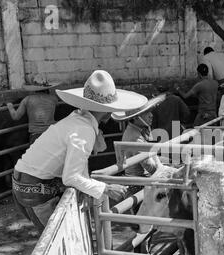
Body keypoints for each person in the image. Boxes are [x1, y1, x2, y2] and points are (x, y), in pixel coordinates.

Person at [12, 70, 148, 232]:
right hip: (35, 188)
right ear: (107, 109)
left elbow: (74, 171)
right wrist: (106, 188)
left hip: (27, 183)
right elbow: (72, 177)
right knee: (57, 240)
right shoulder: (84, 130)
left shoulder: (77, 120)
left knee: (60, 238)